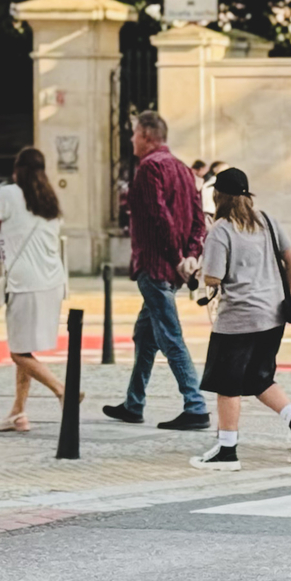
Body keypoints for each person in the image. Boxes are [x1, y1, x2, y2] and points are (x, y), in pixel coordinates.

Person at [188, 167, 291, 466]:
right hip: (273, 315)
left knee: (226, 384)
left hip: (238, 321)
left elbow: (214, 277)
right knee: (259, 378)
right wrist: (287, 293)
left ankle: (227, 450)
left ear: (218, 196)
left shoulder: (221, 229)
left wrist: (193, 272)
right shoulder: (266, 220)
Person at [102, 111, 211, 430]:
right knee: (145, 335)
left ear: (148, 135)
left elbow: (157, 217)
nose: (132, 139)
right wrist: (190, 256)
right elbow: (198, 221)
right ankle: (134, 402)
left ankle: (195, 405)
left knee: (169, 335)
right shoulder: (182, 168)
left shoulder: (149, 168)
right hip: (174, 268)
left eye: (135, 134)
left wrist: (177, 257)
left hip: (156, 265)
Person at [0, 147, 68, 432]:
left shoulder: (7, 195)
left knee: (18, 352)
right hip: (53, 281)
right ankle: (18, 412)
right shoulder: (50, 201)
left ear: (17, 169)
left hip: (24, 282)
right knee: (26, 348)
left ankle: (61, 390)